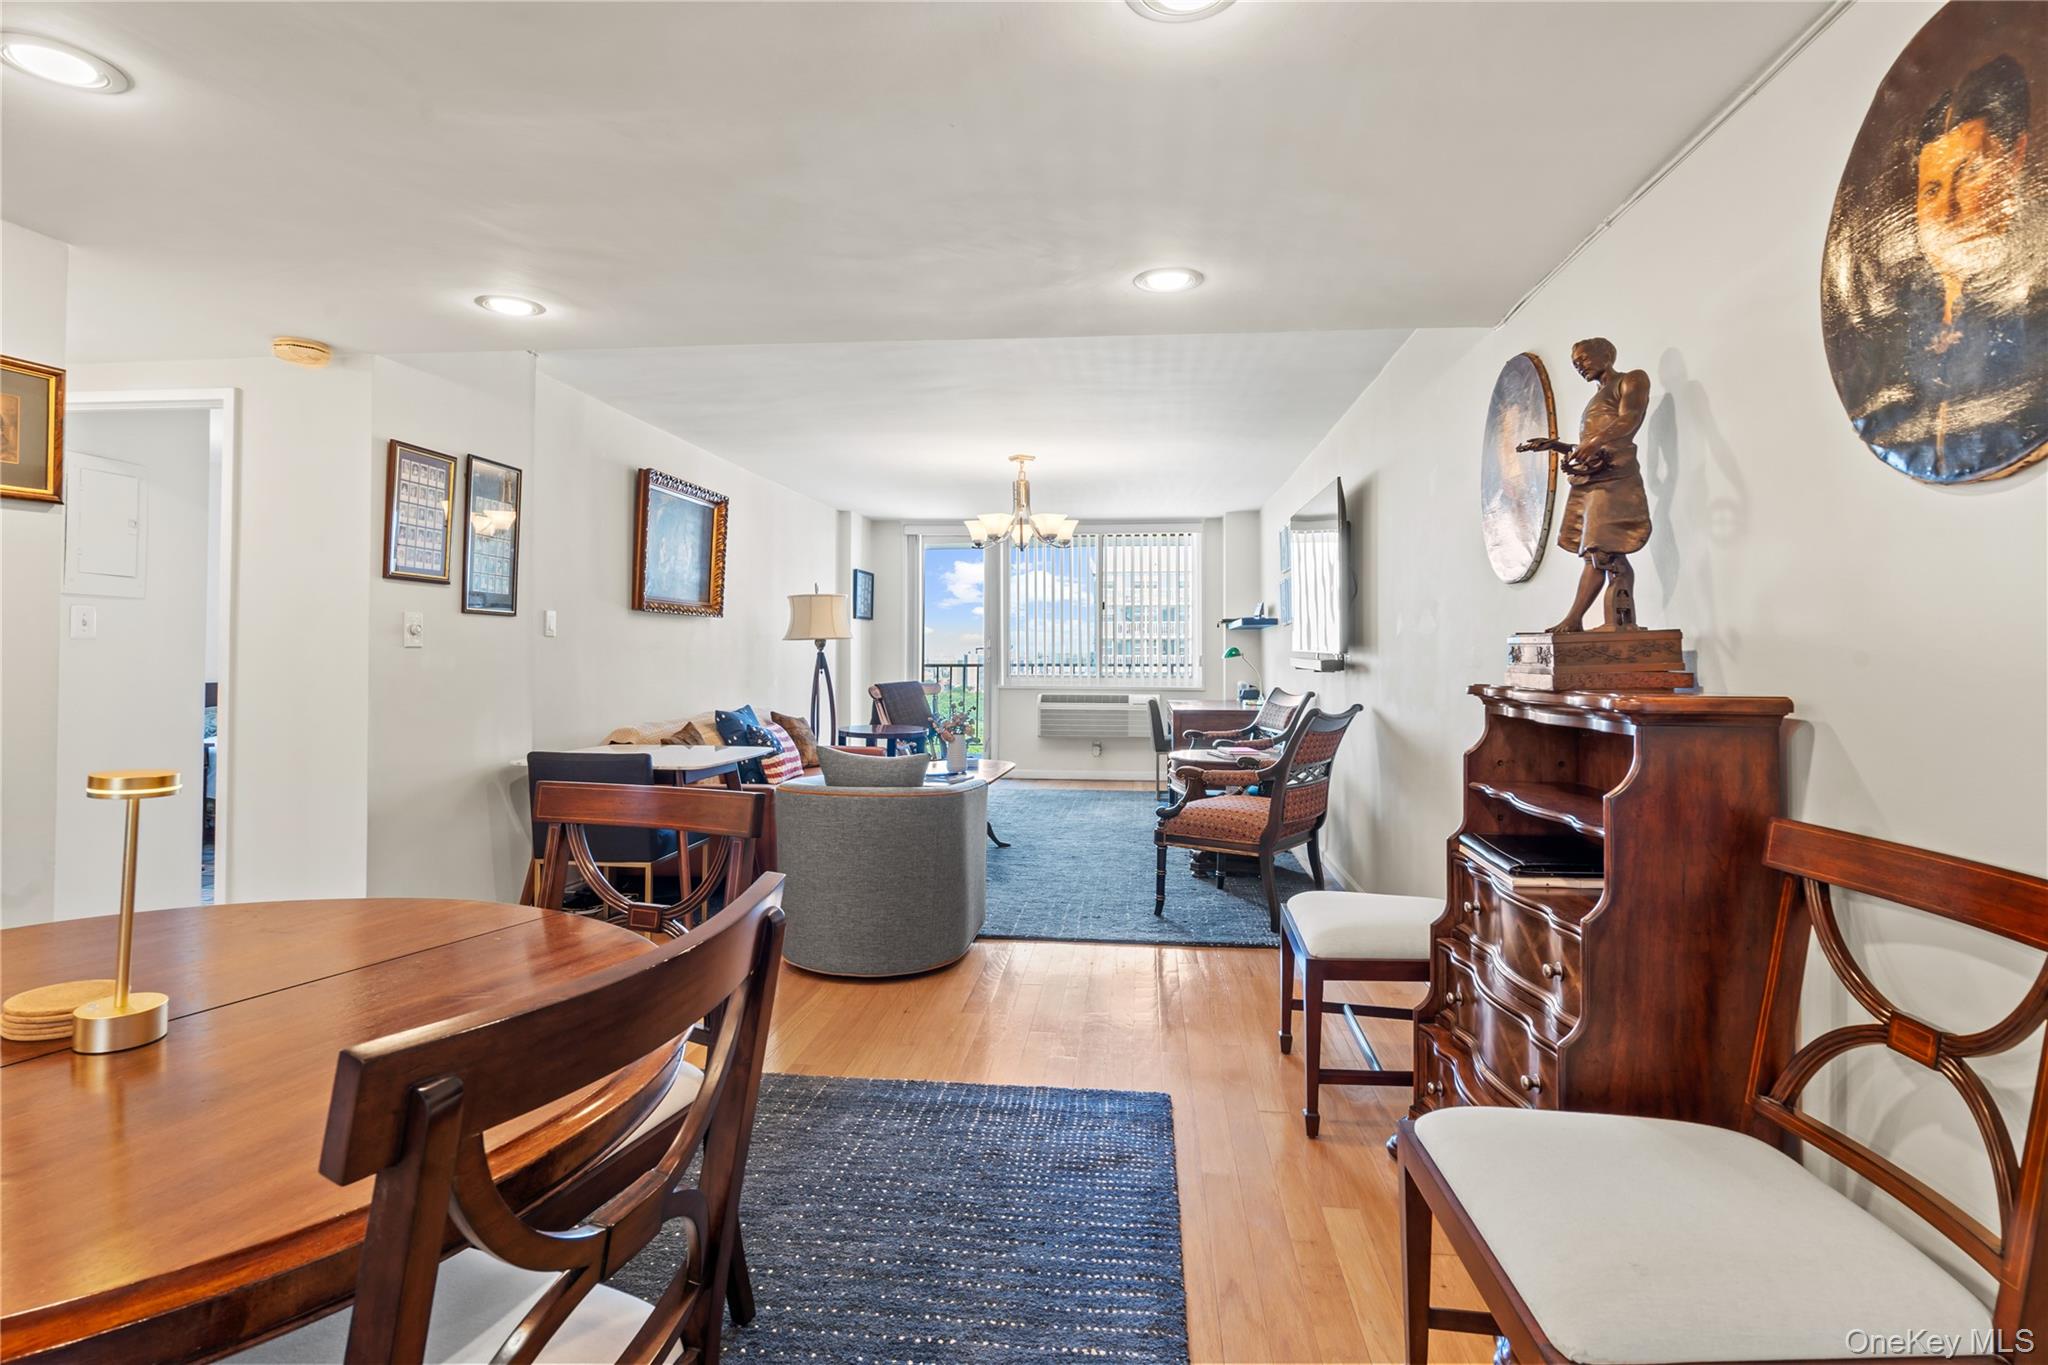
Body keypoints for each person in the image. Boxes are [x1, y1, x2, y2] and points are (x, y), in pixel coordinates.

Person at [1844, 53, 2041, 482]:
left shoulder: (2037, 312)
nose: (1948, 210)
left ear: (2015, 159)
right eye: (1932, 189)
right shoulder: (1891, 334)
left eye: (1969, 173)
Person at [1517, 337, 1651, 633]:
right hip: (1595, 477)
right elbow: (1596, 445)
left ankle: (1615, 624)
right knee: (1596, 551)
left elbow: (1630, 419)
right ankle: (1582, 620)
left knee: (1607, 552)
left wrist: (1593, 441)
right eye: (1575, 364)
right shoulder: (1597, 396)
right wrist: (1561, 446)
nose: (1580, 366)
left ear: (1606, 354)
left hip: (1616, 477)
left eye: (1584, 359)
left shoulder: (1631, 380)